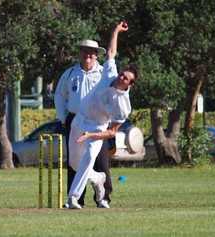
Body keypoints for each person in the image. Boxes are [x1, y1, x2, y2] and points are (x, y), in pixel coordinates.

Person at [67, 21, 138, 209]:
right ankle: (98, 179)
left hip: (97, 130)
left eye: (125, 78)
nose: (120, 77)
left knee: (89, 158)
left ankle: (72, 198)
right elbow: (111, 53)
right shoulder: (109, 73)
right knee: (75, 164)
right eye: (122, 74)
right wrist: (116, 31)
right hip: (79, 120)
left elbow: (112, 132)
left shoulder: (124, 106)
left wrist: (90, 135)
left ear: (130, 85)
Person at [54, 25, 123, 206]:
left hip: (98, 123)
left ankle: (103, 198)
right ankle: (79, 198)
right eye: (85, 52)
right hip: (75, 120)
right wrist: (63, 117)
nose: (88, 56)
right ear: (80, 53)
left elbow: (112, 53)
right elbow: (60, 95)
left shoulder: (105, 73)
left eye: (92, 53)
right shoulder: (70, 73)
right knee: (75, 163)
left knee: (100, 161)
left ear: (97, 55)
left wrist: (112, 123)